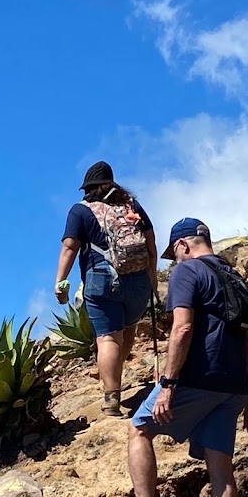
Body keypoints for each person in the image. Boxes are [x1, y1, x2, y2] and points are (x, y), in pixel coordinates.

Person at [102, 218, 248, 497]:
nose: (173, 263)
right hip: (234, 386)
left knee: (139, 428)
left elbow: (184, 328)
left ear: (183, 246)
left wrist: (168, 386)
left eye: (173, 255)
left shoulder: (186, 272)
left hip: (197, 378)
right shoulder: (234, 277)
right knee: (220, 463)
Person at [55, 161, 157, 416]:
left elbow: (70, 246)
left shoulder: (80, 211)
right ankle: (114, 378)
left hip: (101, 279)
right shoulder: (131, 207)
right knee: (128, 330)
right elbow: (150, 241)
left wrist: (60, 282)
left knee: (109, 338)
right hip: (137, 280)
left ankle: (111, 398)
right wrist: (152, 278)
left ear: (87, 188)